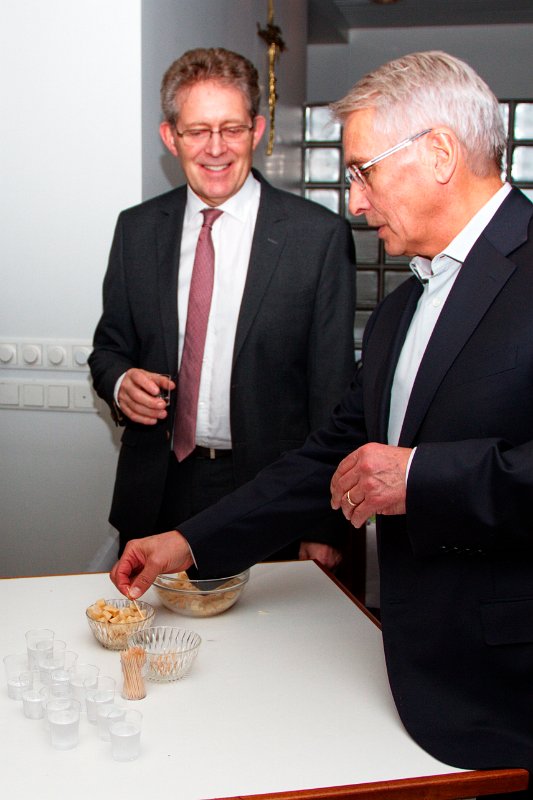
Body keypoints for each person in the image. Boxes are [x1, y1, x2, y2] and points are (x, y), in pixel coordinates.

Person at [111, 50, 533, 790]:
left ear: (439, 153)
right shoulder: (404, 306)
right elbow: (327, 454)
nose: (356, 202)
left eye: (364, 172)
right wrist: (186, 541)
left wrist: (422, 477)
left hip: (509, 688)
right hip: (412, 671)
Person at [89, 48, 356, 566]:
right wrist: (121, 383)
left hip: (268, 500)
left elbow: (333, 394)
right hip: (156, 493)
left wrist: (323, 523)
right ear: (171, 137)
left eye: (231, 129)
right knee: (148, 623)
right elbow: (108, 349)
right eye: (197, 131)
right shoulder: (136, 230)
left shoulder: (317, 238)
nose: (216, 148)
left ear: (256, 131)